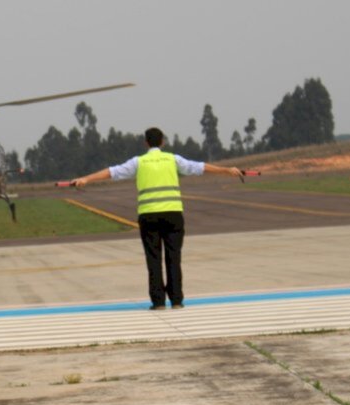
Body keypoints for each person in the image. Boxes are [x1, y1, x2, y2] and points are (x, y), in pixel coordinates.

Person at [68, 127, 243, 310]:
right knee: (173, 258)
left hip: (149, 216)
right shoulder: (173, 159)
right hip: (173, 215)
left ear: (146, 143)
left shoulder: (139, 162)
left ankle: (158, 302)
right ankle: (176, 300)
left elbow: (113, 172)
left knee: (154, 259)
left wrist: (86, 179)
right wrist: (226, 170)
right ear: (162, 142)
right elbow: (199, 167)